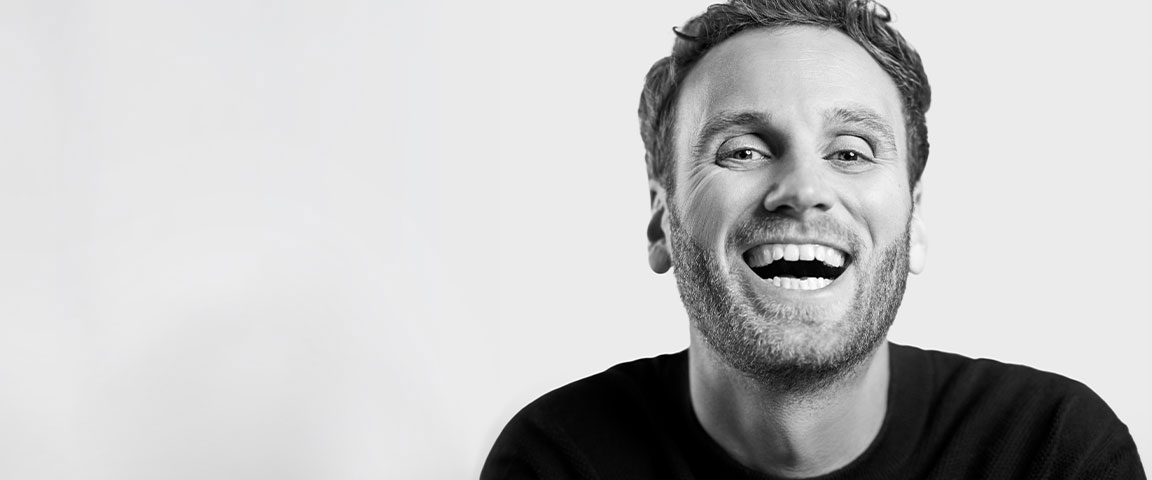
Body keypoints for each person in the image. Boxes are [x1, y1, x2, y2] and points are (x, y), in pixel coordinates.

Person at [481, 0, 1146, 478]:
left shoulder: (1052, 451)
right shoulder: (558, 459)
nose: (803, 188)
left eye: (851, 152)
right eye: (742, 150)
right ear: (662, 221)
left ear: (913, 219)